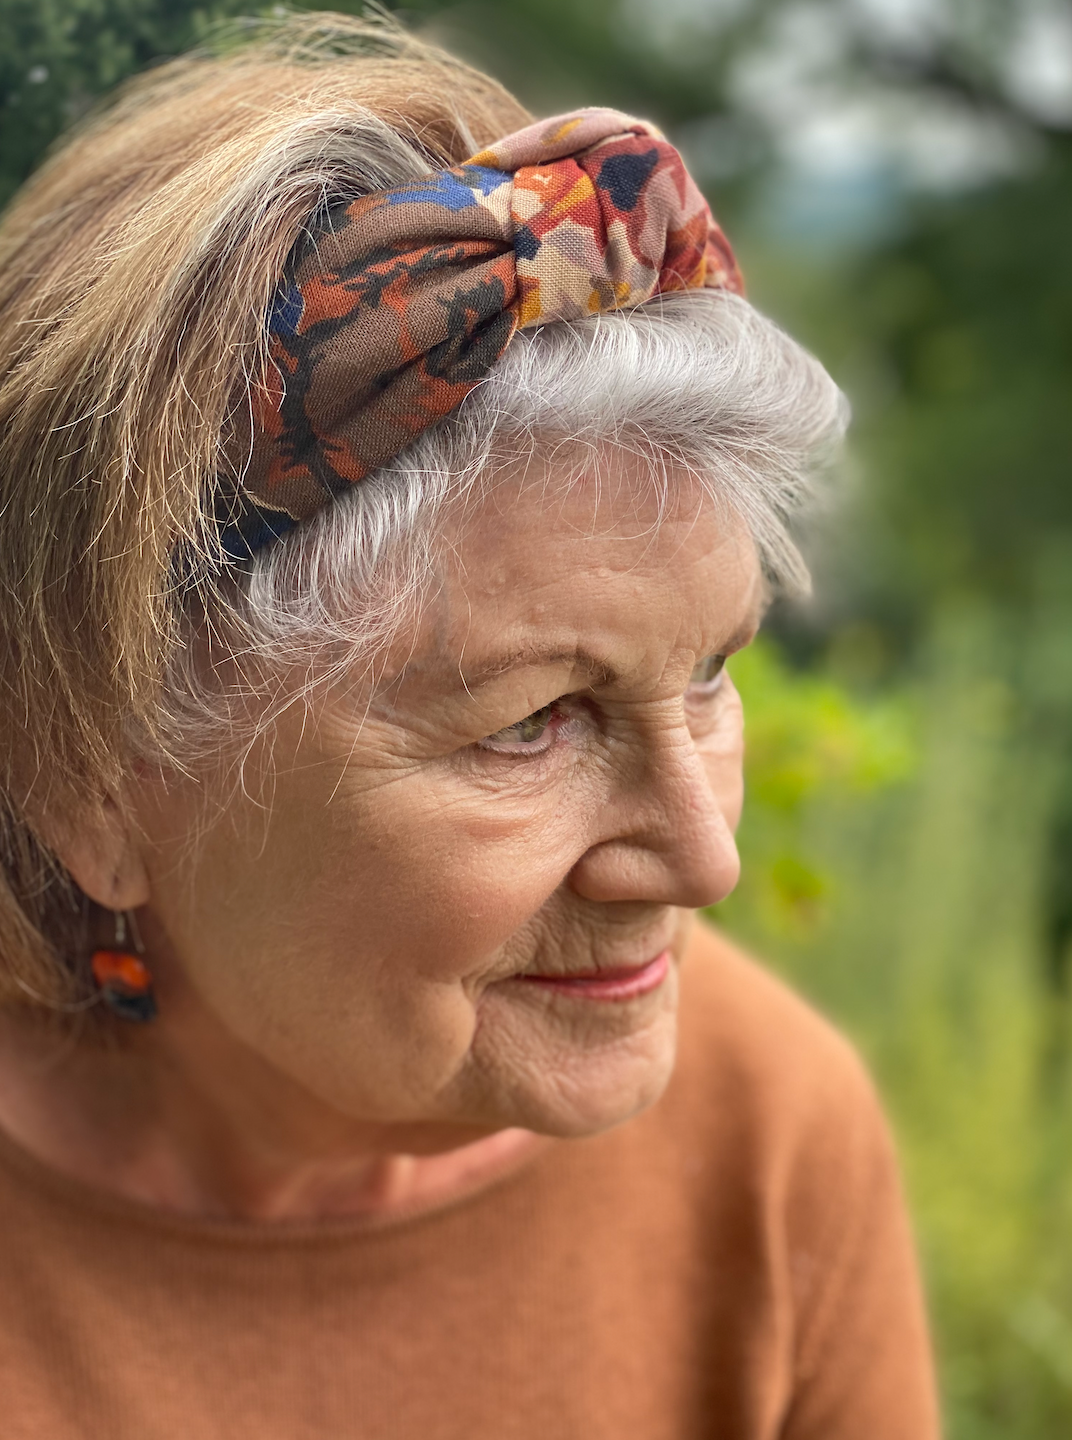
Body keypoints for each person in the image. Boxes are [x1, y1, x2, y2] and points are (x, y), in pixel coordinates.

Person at [0, 13, 939, 1439]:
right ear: (95, 781)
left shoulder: (772, 1133)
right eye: (533, 723)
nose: (703, 863)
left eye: (708, 673)